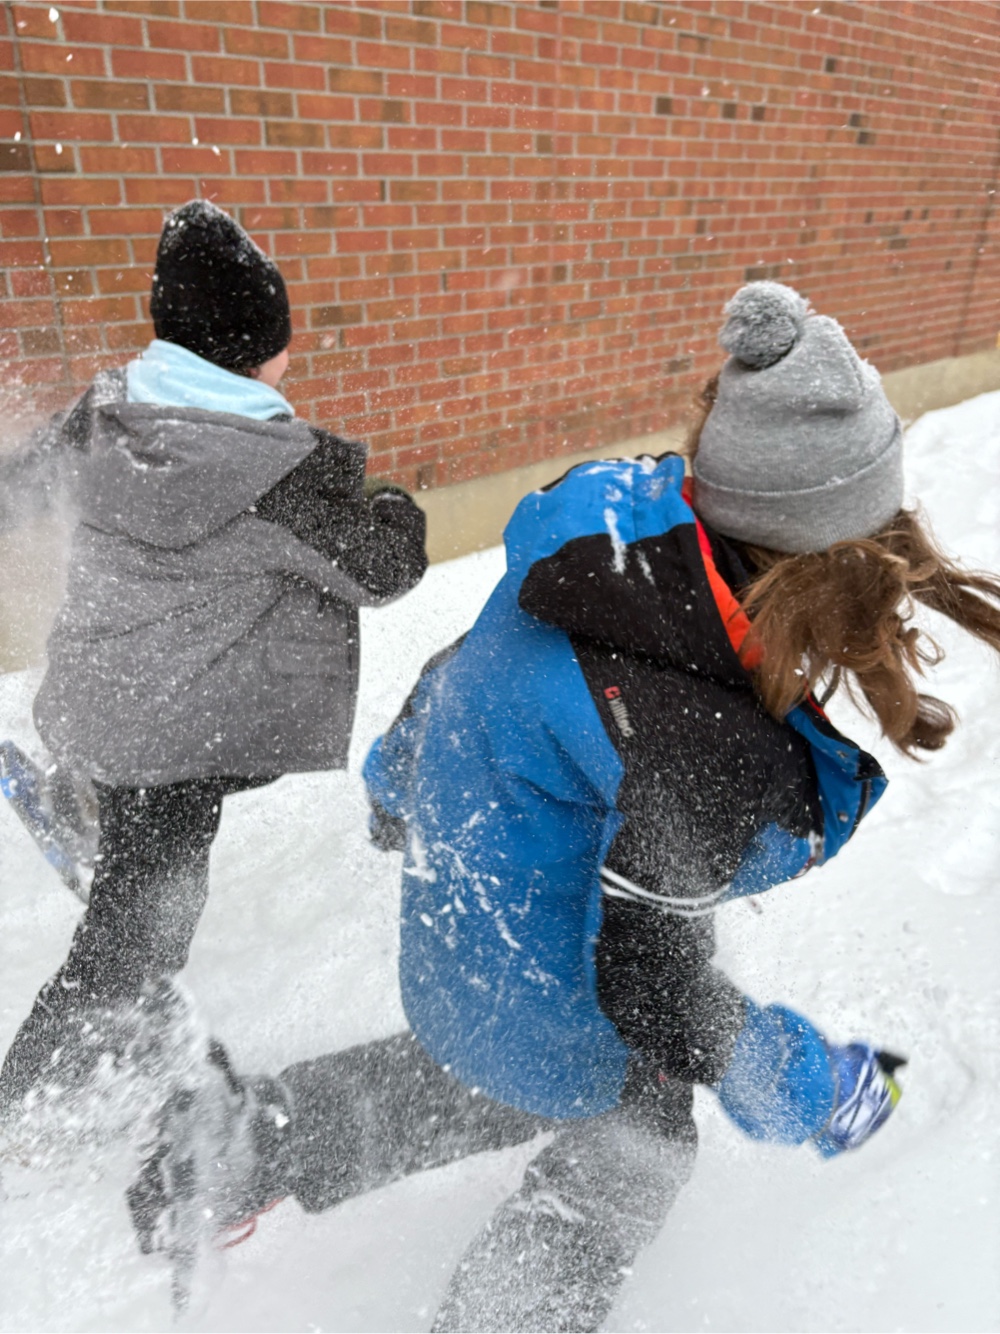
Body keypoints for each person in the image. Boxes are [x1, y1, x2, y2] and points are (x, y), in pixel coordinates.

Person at [126, 282, 1000, 1330]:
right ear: (825, 570)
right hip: (551, 985)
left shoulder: (604, 557)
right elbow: (654, 987)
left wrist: (397, 788)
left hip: (455, 939)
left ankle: (237, 1144)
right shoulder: (697, 745)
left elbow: (456, 674)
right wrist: (817, 1089)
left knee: (478, 1075)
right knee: (637, 1136)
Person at [0, 200, 428, 1118]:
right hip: (180, 742)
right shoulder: (275, 474)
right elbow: (384, 569)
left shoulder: (104, 410)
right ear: (256, 353)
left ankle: (85, 799)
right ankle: (27, 1102)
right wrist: (396, 506)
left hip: (93, 696)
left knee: (136, 772)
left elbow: (14, 491)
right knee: (140, 934)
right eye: (279, 340)